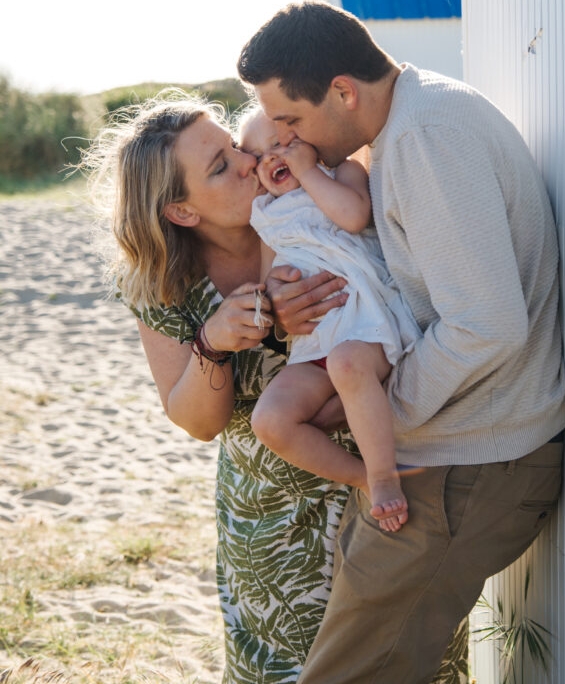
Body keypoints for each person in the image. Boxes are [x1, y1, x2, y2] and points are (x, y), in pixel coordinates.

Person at [83, 89, 467, 684]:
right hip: (271, 514)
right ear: (183, 211)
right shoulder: (161, 284)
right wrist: (216, 340)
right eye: (220, 167)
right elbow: (197, 422)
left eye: (234, 146)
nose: (246, 161)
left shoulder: (312, 202)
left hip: (390, 478)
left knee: (411, 662)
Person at [238, 0, 565, 684]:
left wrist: (381, 408)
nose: (286, 140)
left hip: (468, 467)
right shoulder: (414, 120)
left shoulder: (423, 138)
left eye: (291, 120)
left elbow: (486, 324)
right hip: (455, 457)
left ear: (343, 91)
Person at [240, 107, 420, 532]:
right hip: (315, 342)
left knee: (347, 364)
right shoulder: (267, 216)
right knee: (269, 420)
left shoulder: (343, 172)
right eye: (257, 155)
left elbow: (354, 216)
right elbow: (271, 285)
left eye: (283, 144)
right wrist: (277, 296)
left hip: (367, 326)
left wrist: (310, 173)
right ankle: (362, 479)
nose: (270, 158)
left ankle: (384, 475)